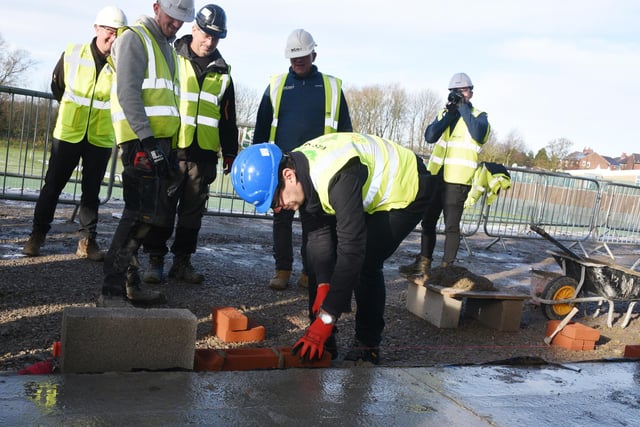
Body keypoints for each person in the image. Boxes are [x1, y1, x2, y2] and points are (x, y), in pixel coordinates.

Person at [230, 133, 433, 364]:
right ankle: (324, 344)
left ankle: (367, 345)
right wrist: (324, 285)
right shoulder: (301, 171)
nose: (278, 209)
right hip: (365, 188)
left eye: (275, 200)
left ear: (288, 175)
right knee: (315, 256)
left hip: (407, 188)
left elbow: (352, 250)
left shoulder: (336, 177)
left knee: (366, 259)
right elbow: (317, 238)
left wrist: (328, 315)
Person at [100, 0, 194, 306]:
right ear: (156, 7)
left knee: (146, 217)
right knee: (136, 215)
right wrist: (149, 141)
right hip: (141, 142)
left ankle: (129, 284)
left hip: (158, 142)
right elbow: (128, 92)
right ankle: (112, 290)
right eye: (173, 16)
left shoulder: (166, 46)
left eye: (182, 19)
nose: (177, 23)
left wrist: (167, 145)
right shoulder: (136, 39)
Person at [141, 4, 238, 285]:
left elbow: (228, 118)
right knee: (163, 208)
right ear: (194, 28)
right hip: (172, 149)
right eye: (206, 34)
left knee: (192, 214)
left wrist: (230, 152)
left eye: (216, 37)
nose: (210, 41)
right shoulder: (171, 57)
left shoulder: (224, 73)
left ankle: (182, 262)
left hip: (204, 154)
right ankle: (155, 260)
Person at [22, 6, 127, 260]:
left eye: (117, 34)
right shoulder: (72, 54)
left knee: (91, 194)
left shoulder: (121, 65)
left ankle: (87, 242)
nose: (112, 38)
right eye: (108, 32)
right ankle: (36, 236)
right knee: (52, 188)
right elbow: (57, 86)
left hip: (100, 138)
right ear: (97, 29)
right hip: (68, 134)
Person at [252, 28, 352, 291]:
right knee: (281, 218)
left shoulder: (332, 87)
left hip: (319, 168)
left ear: (313, 54)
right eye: (293, 58)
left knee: (315, 221)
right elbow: (262, 127)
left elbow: (345, 131)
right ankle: (282, 269)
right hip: (282, 165)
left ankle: (310, 272)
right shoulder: (276, 86)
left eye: (302, 57)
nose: (297, 62)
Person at [399, 72, 490, 277]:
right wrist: (450, 114)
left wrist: (463, 108)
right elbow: (430, 136)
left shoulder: (479, 116)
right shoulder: (444, 114)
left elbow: (478, 134)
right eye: (454, 92)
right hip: (437, 176)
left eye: (462, 91)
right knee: (428, 222)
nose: (457, 94)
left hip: (457, 180)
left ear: (471, 94)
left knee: (451, 226)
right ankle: (424, 263)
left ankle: (446, 269)